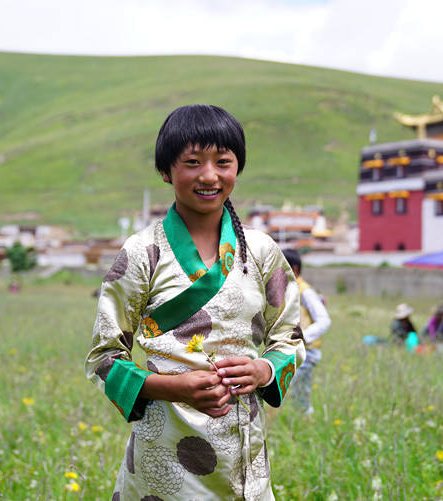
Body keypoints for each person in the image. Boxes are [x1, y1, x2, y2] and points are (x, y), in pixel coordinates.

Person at [85, 104, 306, 500]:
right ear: (166, 171)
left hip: (243, 457)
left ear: (237, 167)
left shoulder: (260, 250)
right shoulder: (141, 253)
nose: (209, 176)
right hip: (162, 453)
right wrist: (175, 388)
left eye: (223, 162)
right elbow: (103, 358)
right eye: (192, 162)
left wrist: (262, 371)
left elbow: (290, 336)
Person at [282, 248, 331, 415]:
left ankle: (305, 421)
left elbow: (324, 320)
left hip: (308, 351)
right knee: (294, 393)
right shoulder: (289, 290)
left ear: (294, 269)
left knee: (299, 392)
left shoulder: (306, 291)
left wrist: (301, 337)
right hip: (296, 351)